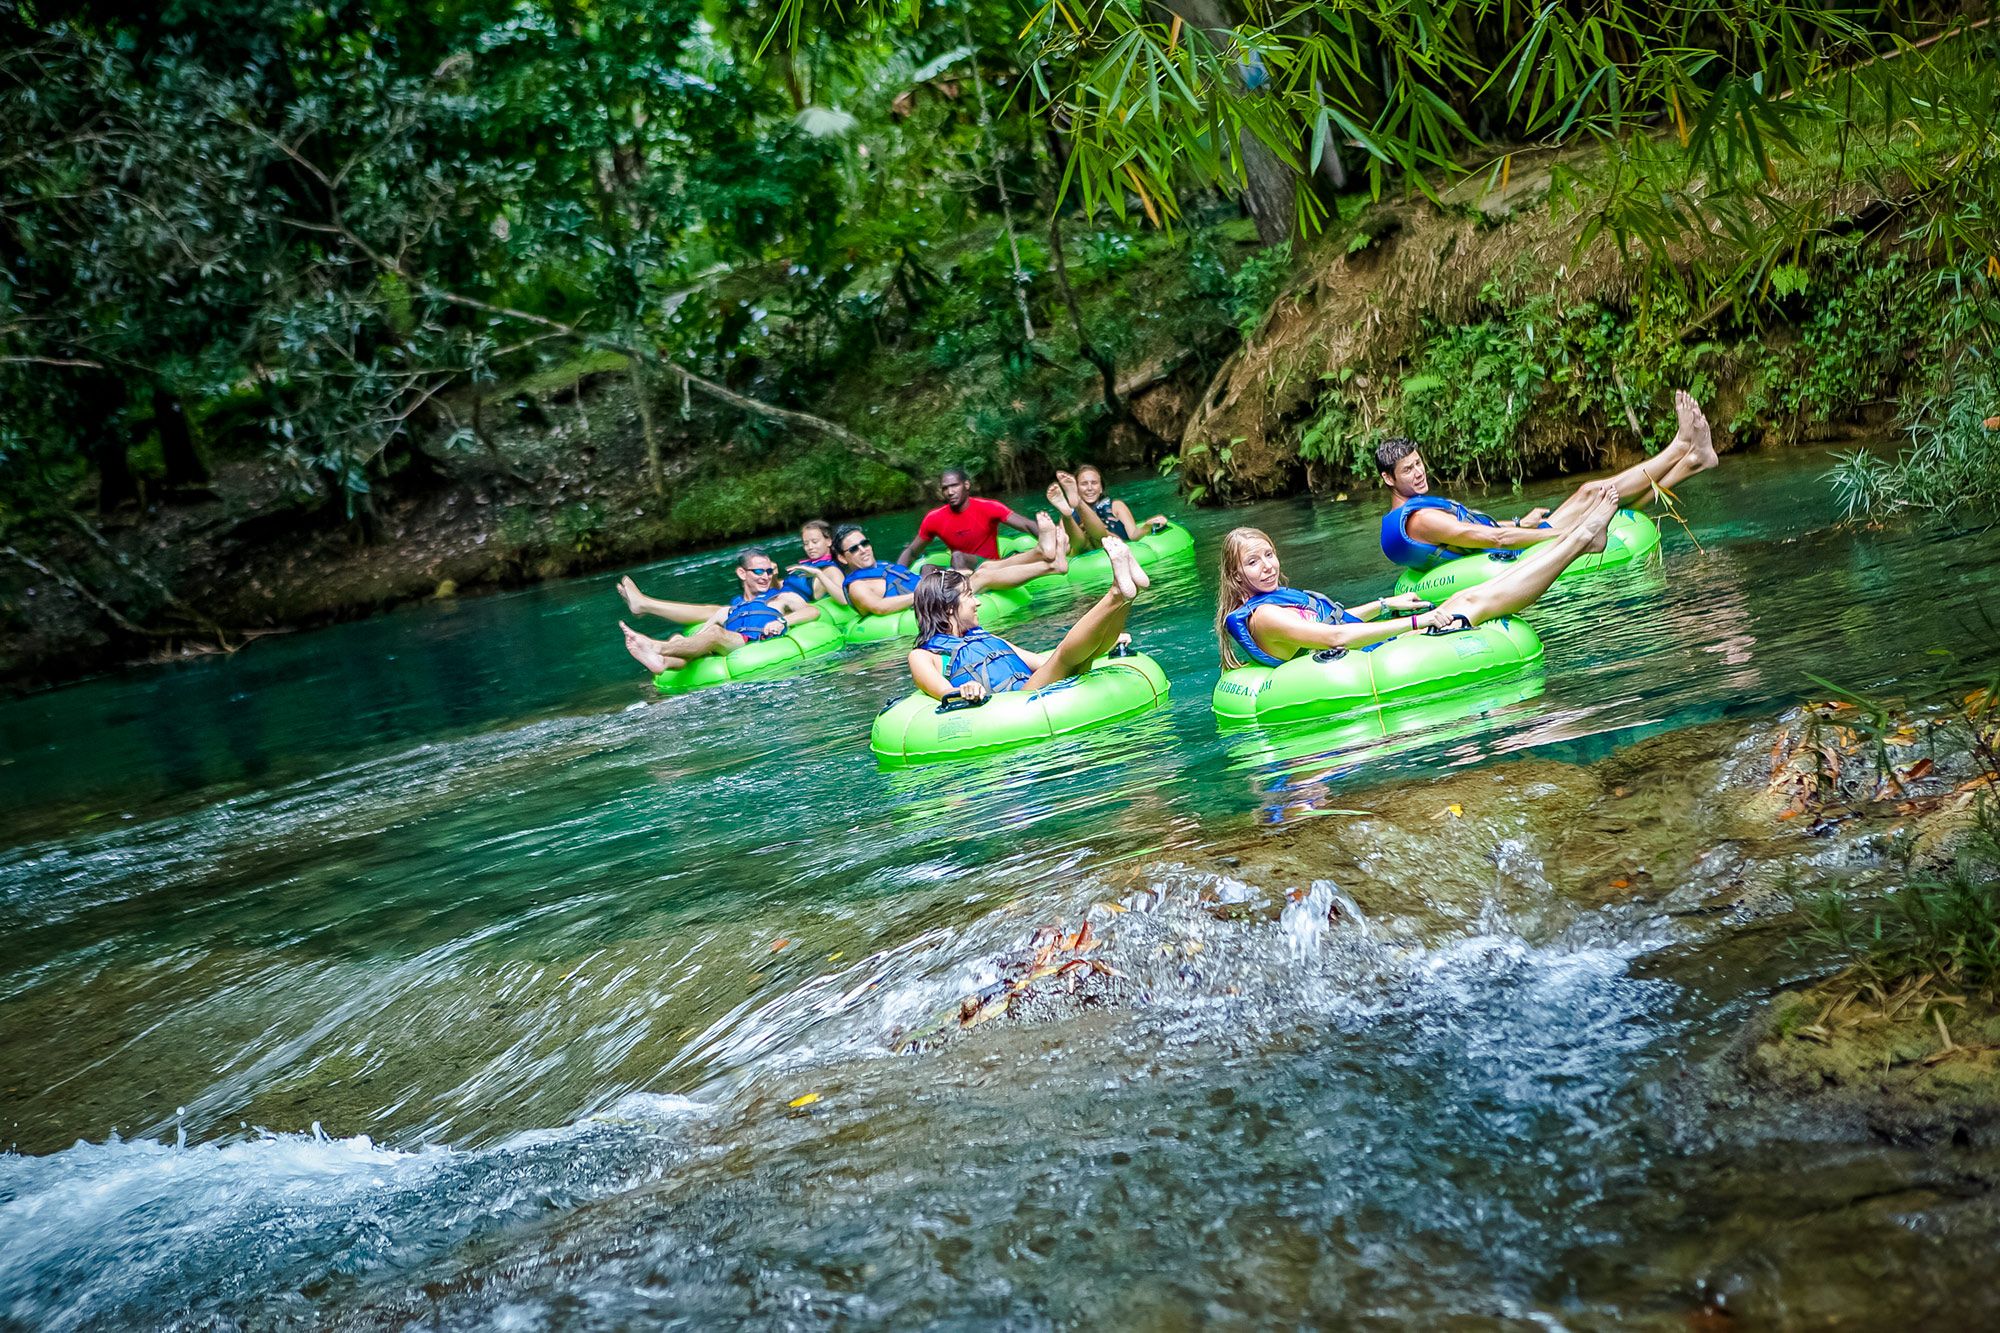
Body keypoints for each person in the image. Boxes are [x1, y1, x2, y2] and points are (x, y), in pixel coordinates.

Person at [1219, 484, 1624, 669]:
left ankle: (1582, 540)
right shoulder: (1263, 616)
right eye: (1254, 562)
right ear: (1237, 575)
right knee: (1471, 603)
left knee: (1475, 593)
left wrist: (1383, 604)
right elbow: (1335, 637)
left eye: (1269, 554)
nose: (1268, 566)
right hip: (1364, 659)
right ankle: (1581, 540)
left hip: (1363, 649)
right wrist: (1418, 621)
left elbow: (1328, 622)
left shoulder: (1274, 603)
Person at [1378, 389, 1719, 572]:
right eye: (1408, 470)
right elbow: (1493, 538)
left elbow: (1469, 531)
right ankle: (1681, 448)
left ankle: (1693, 460)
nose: (1420, 473)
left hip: (1519, 538)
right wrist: (1572, 533)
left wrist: (1518, 520)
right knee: (1590, 493)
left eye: (1419, 464)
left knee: (1598, 497)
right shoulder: (1421, 519)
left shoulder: (1416, 513)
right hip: (1520, 552)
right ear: (1387, 479)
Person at [908, 535, 1151, 703]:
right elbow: (942, 691)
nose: (977, 602)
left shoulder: (983, 637)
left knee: (1082, 655)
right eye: (969, 596)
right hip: (1017, 700)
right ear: (949, 608)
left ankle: (1126, 597)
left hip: (1033, 686)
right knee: (1065, 658)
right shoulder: (923, 656)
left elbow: (1039, 662)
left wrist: (1106, 642)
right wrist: (964, 691)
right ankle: (1116, 592)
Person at [797, 517, 1071, 618]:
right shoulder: (857, 585)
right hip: (929, 598)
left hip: (931, 587)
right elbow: (880, 607)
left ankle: (1041, 552)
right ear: (843, 558)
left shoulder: (879, 565)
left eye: (864, 543)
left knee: (984, 569)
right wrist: (926, 593)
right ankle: (1051, 567)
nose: (864, 549)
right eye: (854, 549)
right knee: (982, 578)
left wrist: (939, 577)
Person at [616, 548, 820, 676]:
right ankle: (663, 661)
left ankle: (656, 648)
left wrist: (783, 621)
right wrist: (679, 643)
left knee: (715, 634)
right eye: (758, 571)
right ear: (742, 573)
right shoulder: (728, 611)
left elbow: (812, 612)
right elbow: (699, 636)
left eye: (768, 571)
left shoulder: (781, 598)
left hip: (754, 639)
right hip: (727, 642)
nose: (765, 577)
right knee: (683, 637)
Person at [897, 468, 1037, 570]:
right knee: (927, 569)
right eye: (945, 488)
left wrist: (1054, 543)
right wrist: (897, 575)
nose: (950, 492)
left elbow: (1026, 524)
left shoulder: (988, 507)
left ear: (966, 485)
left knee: (958, 556)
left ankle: (965, 597)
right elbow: (912, 551)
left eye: (954, 486)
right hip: (958, 568)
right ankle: (929, 604)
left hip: (990, 566)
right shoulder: (934, 518)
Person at [1046, 465, 1169, 551]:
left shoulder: (1116, 506)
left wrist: (1147, 526)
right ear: (1076, 488)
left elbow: (1133, 535)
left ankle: (1077, 503)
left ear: (1101, 488)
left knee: (1101, 536)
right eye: (1084, 484)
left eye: (1094, 483)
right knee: (1081, 541)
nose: (1089, 488)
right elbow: (1066, 548)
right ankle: (1067, 512)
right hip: (1082, 550)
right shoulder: (1069, 521)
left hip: (1111, 544)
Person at [780, 519, 839, 601]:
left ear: (828, 541)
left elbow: (844, 599)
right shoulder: (807, 565)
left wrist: (818, 573)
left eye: (815, 542)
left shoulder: (831, 570)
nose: (810, 547)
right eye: (806, 543)